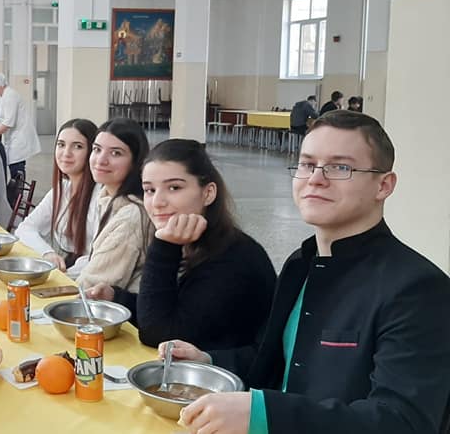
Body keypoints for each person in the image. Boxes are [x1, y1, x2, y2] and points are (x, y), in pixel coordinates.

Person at [163, 110, 450, 434]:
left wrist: (265, 414)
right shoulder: (301, 263)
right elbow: (275, 360)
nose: (316, 178)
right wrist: (208, 362)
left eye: (340, 167)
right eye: (307, 164)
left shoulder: (417, 288)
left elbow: (401, 422)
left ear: (383, 185)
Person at [113, 139, 277, 350]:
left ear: (208, 193)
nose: (157, 202)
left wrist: (163, 248)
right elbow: (173, 310)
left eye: (174, 187)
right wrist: (116, 297)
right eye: (150, 190)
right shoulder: (196, 244)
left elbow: (158, 333)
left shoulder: (234, 259)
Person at [80, 118, 153, 310]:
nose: (101, 160)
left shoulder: (131, 216)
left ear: (136, 162)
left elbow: (92, 287)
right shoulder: (107, 197)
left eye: (115, 153)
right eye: (97, 149)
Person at [15, 119, 101, 274]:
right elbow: (25, 228)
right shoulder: (62, 189)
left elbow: (98, 257)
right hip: (64, 269)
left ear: (92, 152)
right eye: (61, 145)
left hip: (88, 275)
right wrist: (47, 253)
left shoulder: (100, 197)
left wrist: (65, 274)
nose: (66, 153)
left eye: (77, 146)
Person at [0, 72, 41, 181]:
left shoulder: (11, 96)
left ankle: (18, 188)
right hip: (11, 136)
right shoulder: (0, 97)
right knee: (11, 162)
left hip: (20, 136)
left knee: (16, 164)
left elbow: (8, 123)